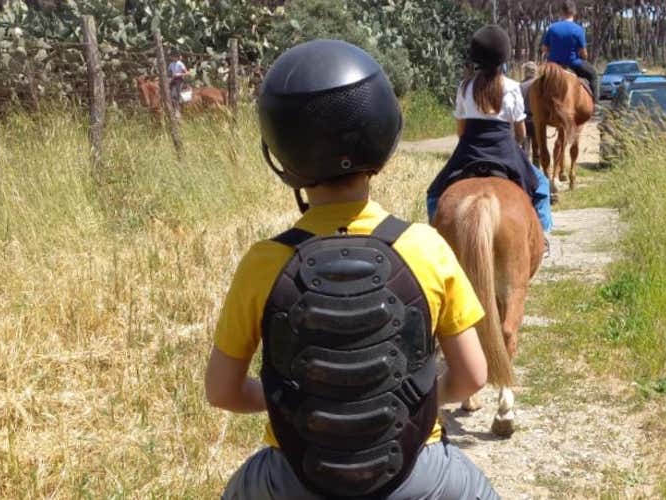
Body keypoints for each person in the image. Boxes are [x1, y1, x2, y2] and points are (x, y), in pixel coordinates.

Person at [207, 39, 498, 500]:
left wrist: (308, 402)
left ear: (282, 154)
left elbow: (222, 392)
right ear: (383, 135)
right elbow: (472, 377)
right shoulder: (425, 247)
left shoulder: (262, 263)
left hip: (293, 479)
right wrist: (404, 400)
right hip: (417, 476)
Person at [426, 25, 553, 238]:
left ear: (476, 58)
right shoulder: (512, 87)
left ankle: (435, 238)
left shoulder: (464, 87)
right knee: (541, 186)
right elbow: (520, 134)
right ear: (503, 58)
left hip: (469, 150)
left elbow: (461, 131)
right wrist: (515, 146)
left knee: (433, 194)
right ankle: (543, 237)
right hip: (504, 150)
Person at [541, 0, 599, 99]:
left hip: (553, 66)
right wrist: (583, 56)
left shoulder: (552, 28)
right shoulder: (578, 29)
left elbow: (544, 48)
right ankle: (595, 105)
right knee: (593, 74)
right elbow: (584, 54)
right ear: (574, 12)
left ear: (561, 12)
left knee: (538, 81)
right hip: (573, 64)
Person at [518, 61, 538, 159]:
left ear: (525, 72)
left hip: (523, 119)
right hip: (537, 119)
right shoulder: (540, 84)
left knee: (525, 151)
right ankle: (536, 166)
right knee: (537, 149)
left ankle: (526, 167)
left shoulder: (519, 86)